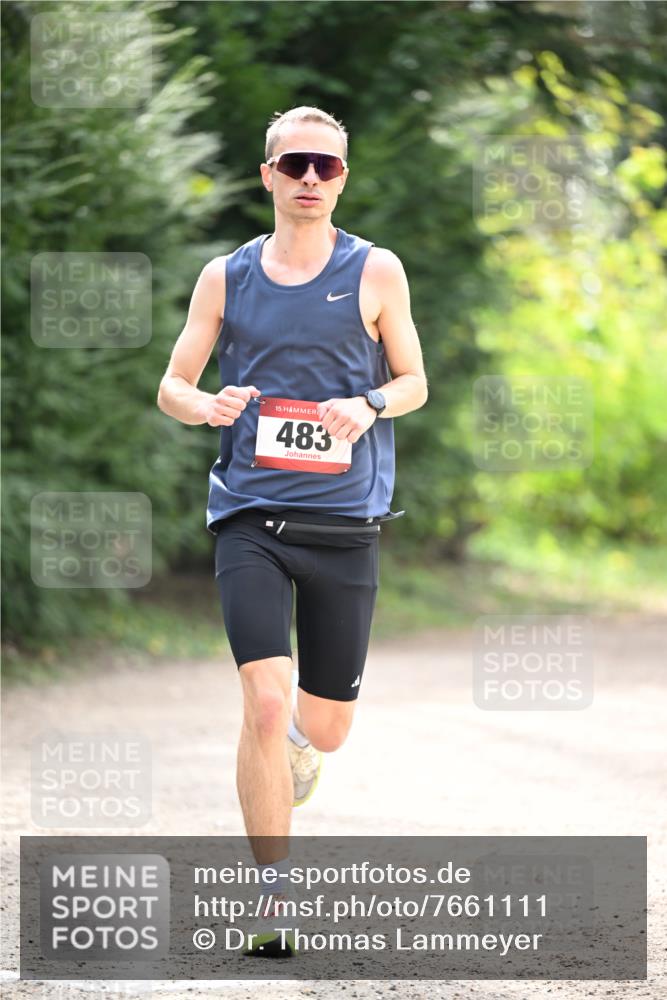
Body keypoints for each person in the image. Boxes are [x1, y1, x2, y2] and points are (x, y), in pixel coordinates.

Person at [157, 105, 428, 956]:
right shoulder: (225, 277)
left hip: (345, 523)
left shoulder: (376, 271)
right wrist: (205, 405)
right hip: (251, 517)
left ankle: (307, 747)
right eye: (296, 165)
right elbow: (173, 382)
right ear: (267, 174)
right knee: (265, 702)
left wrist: (368, 401)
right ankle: (271, 899)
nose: (312, 179)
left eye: (328, 167)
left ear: (342, 178)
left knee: (326, 724)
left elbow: (416, 379)